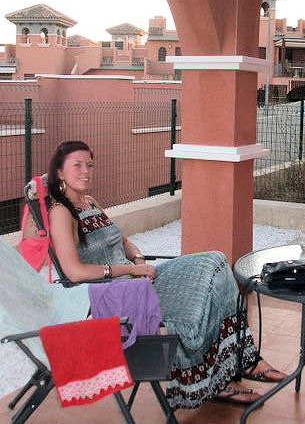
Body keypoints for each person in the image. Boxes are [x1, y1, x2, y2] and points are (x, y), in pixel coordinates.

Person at [46, 140, 286, 410]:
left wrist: (137, 259)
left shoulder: (90, 201)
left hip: (137, 280)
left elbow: (123, 241)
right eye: (76, 165)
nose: (86, 171)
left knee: (215, 261)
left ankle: (240, 360)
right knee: (198, 303)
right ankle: (220, 376)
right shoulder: (61, 212)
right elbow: (74, 272)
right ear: (59, 172)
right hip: (119, 296)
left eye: (89, 164)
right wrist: (131, 270)